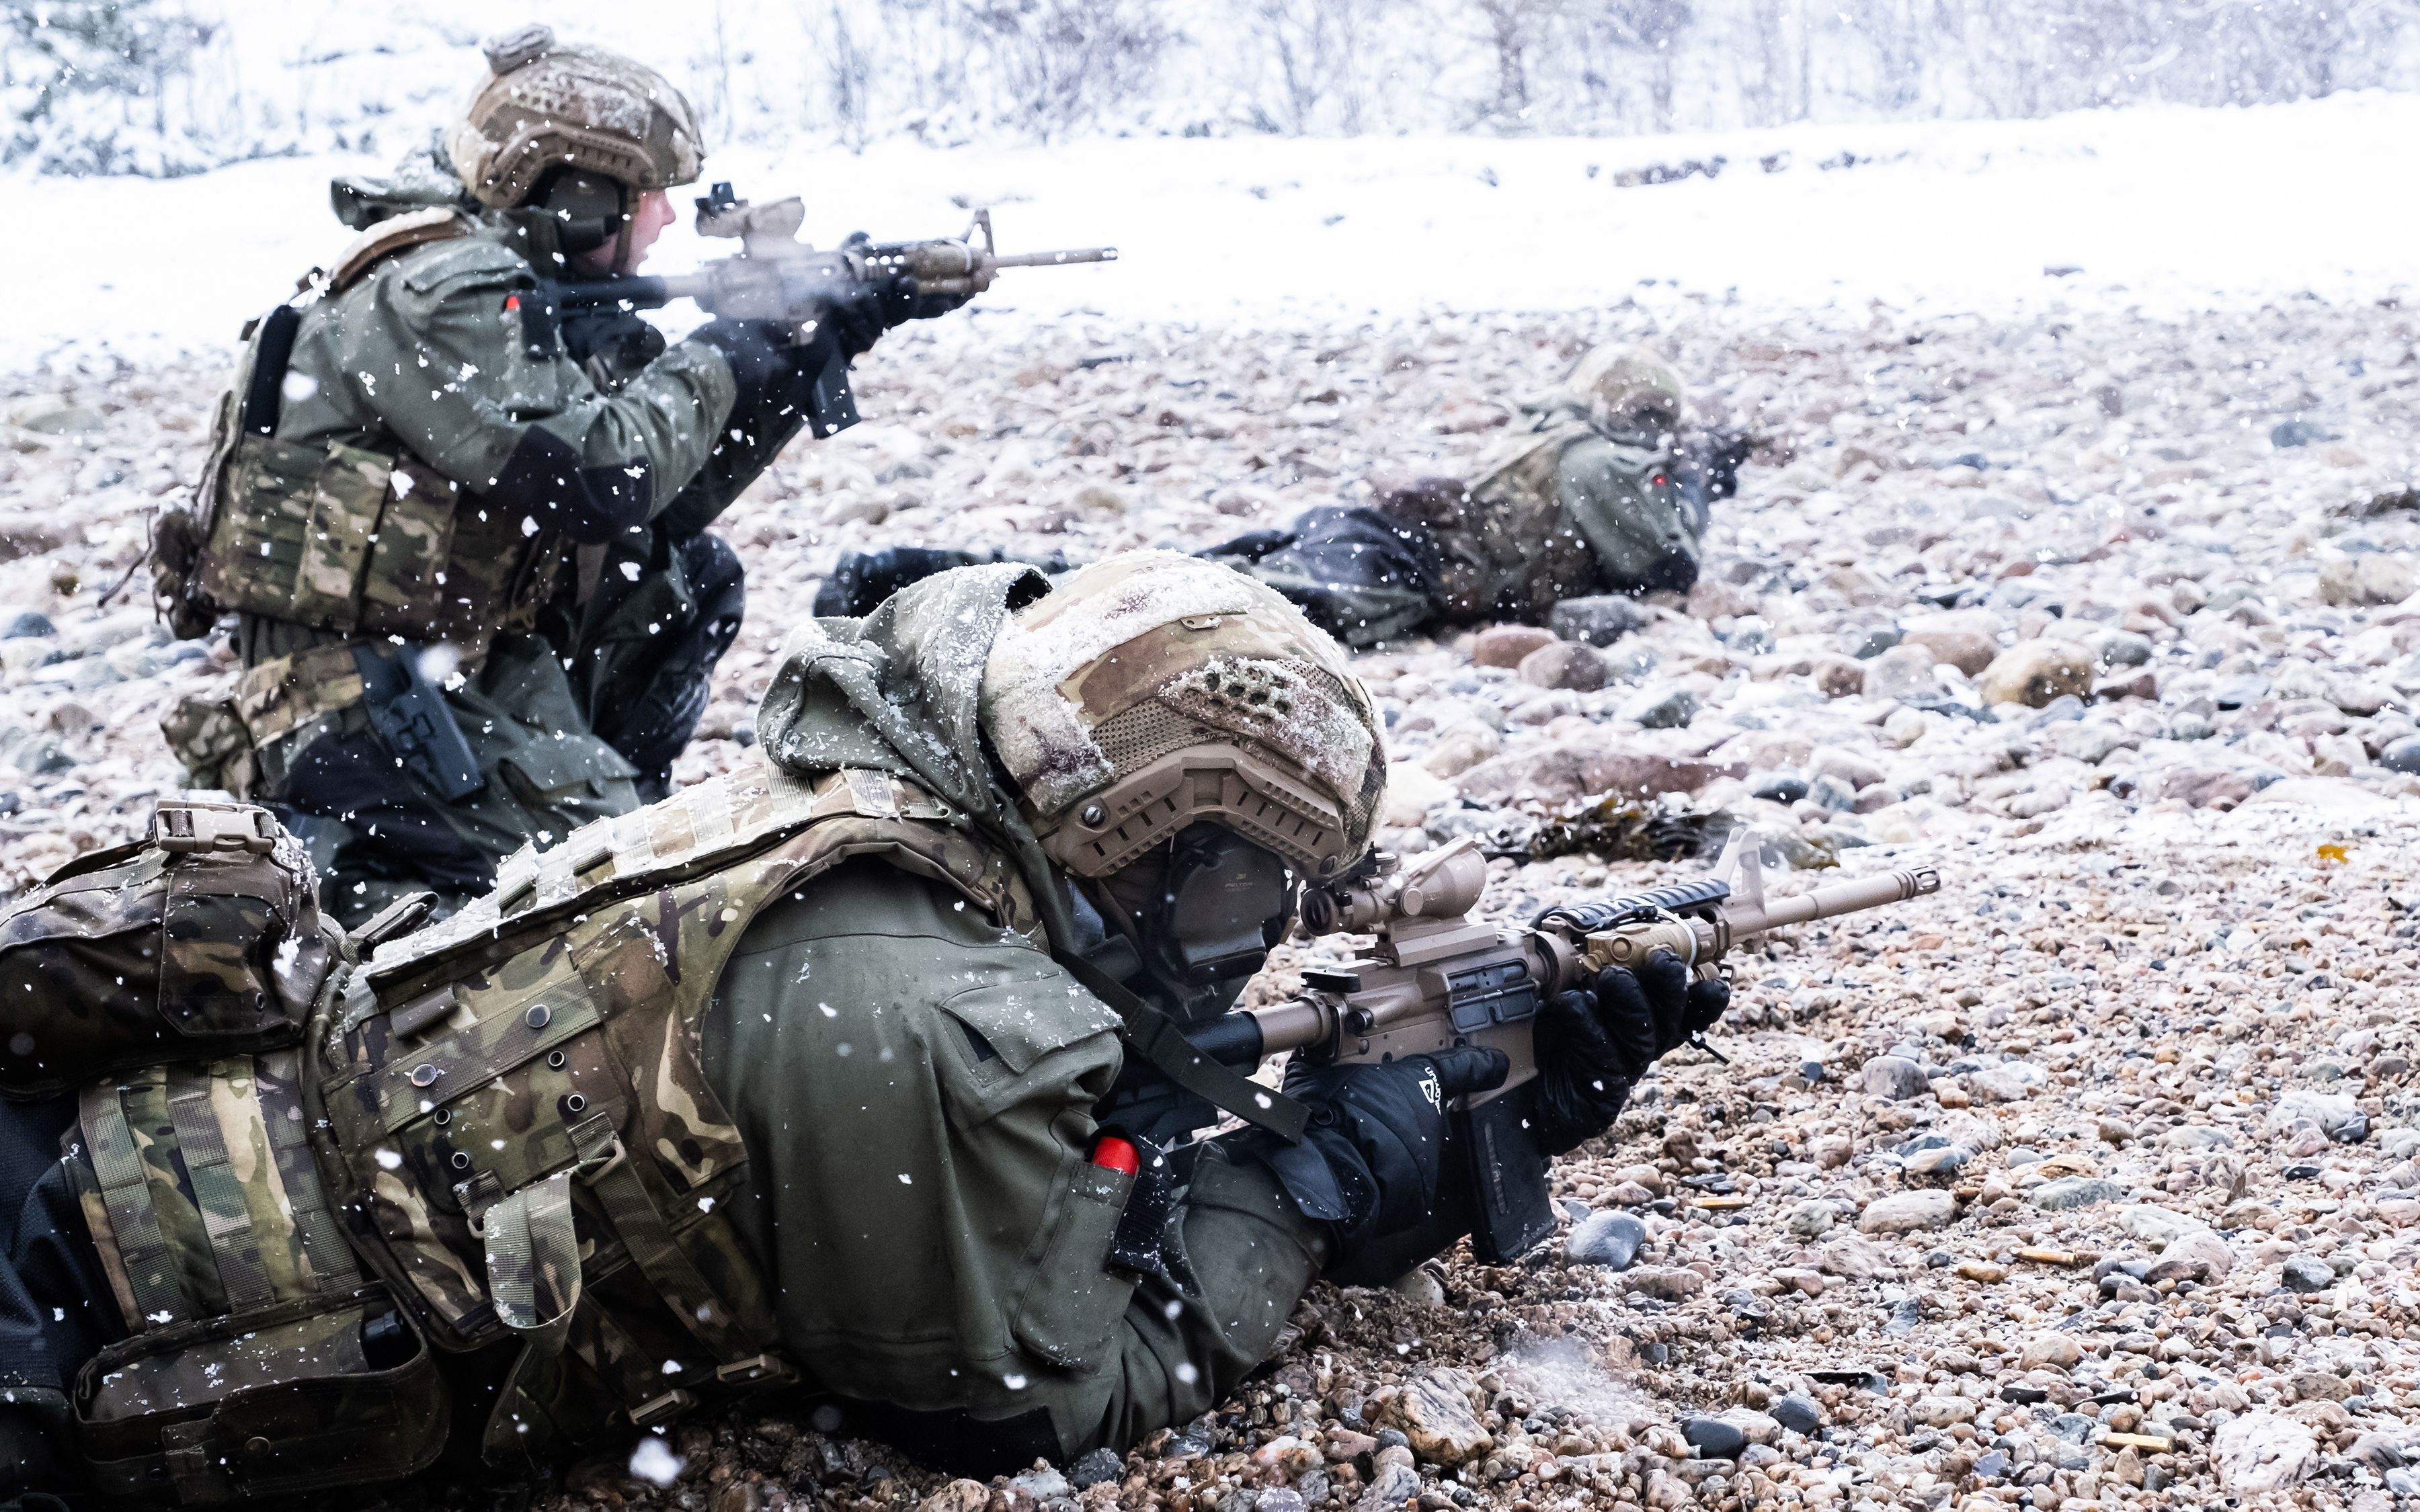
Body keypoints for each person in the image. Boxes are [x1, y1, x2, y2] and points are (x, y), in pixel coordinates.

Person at [0, 552, 1732, 1505]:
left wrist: (1445, 1113)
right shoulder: (933, 1013)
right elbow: (1044, 1391)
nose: (1259, 949)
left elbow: (1056, 1101)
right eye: (1235, 903)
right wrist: (1326, 1183)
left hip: (117, 1168)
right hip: (120, 1324)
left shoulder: (869, 791)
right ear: (1139, 845)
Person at [151, 24, 954, 929]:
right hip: (350, 700)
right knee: (637, 900)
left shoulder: (512, 278)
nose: (663, 221)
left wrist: (812, 342)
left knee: (686, 582)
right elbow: (603, 477)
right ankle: (394, 869)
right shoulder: (442, 290)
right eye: (644, 195)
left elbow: (662, 501)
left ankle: (556, 812)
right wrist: (733, 345)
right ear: (568, 192)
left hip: (457, 655)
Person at [813, 343, 1752, 646]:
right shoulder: (1601, 465)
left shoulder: (1570, 442)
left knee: (1151, 580)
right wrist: (1696, 486)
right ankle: (938, 598)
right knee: (1168, 616)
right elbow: (1664, 564)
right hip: (1395, 566)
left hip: (1366, 534)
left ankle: (912, 578)